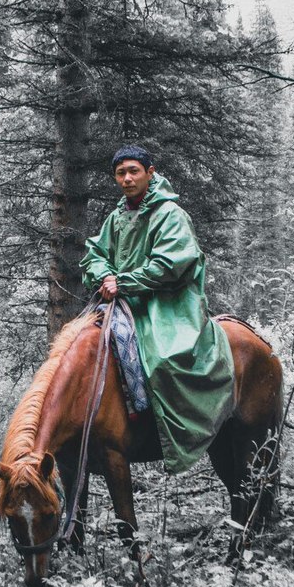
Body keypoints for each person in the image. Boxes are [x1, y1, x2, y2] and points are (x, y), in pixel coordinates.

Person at [80, 145, 236, 473]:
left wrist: (122, 281)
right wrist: (104, 274)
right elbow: (94, 252)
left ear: (150, 173)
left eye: (134, 171)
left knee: (165, 359)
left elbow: (171, 265)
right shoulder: (117, 217)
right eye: (120, 173)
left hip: (168, 304)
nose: (126, 179)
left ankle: (166, 426)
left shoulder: (170, 214)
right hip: (123, 302)